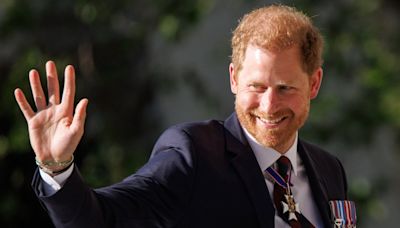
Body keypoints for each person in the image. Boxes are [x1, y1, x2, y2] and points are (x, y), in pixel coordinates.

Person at [14, 4, 355, 228]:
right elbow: (103, 220)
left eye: (285, 88)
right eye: (256, 86)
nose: (268, 106)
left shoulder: (329, 169)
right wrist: (57, 168)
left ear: (314, 83)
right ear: (234, 78)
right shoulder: (194, 154)